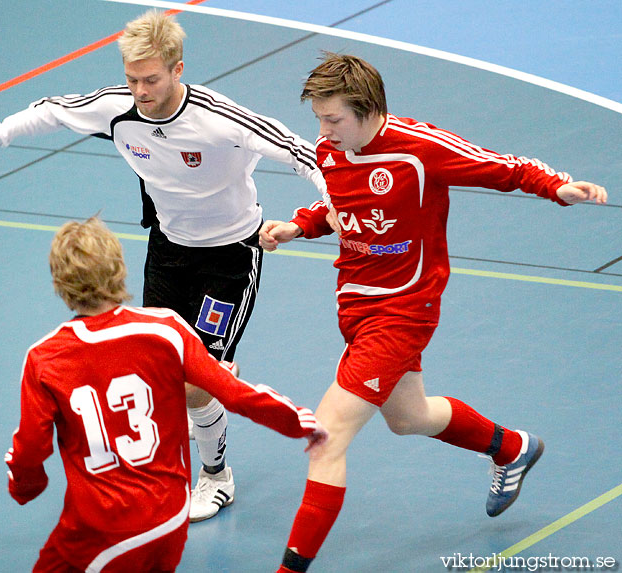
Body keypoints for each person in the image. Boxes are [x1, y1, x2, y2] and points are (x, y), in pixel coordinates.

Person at [0, 9, 327, 522]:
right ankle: (196, 416)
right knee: (161, 371)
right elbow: (55, 110)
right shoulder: (118, 108)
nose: (140, 91)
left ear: (178, 69)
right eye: (132, 79)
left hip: (230, 257)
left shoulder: (220, 118)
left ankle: (217, 477)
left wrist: (337, 207)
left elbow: (304, 154)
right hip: (168, 252)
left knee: (198, 382)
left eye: (151, 79)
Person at [259, 52, 608, 573]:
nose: (323, 132)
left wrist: (555, 187)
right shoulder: (330, 152)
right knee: (408, 417)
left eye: (333, 119)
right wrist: (299, 226)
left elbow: (499, 166)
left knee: (325, 435)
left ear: (369, 110)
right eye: (319, 119)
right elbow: (339, 207)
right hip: (354, 303)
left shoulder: (420, 149)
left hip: (403, 309)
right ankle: (512, 447)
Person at [4, 216, 328, 572]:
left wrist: (24, 487)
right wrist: (299, 421)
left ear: (59, 283)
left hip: (102, 526)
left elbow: (31, 453)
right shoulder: (166, 330)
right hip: (171, 516)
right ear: (119, 269)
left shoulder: (45, 357)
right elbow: (235, 393)